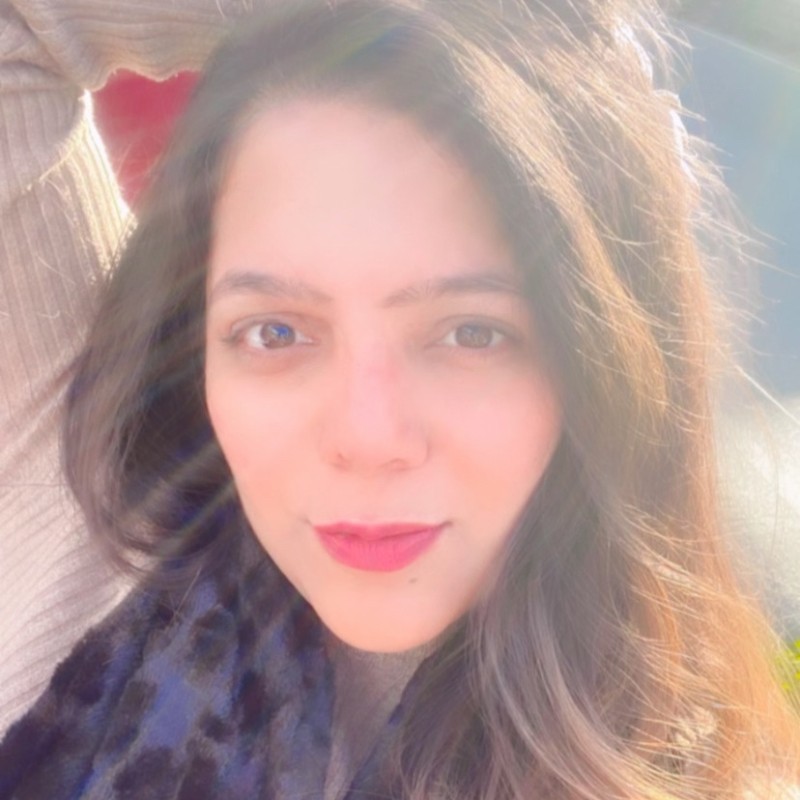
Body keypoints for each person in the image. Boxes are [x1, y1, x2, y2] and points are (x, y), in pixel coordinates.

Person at [1, 1, 798, 798]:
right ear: (194, 341)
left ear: (602, 361)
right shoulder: (86, 521)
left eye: (471, 334)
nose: (369, 435)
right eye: (276, 332)